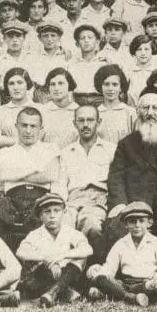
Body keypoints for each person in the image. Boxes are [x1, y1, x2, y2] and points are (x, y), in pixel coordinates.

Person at [105, 92, 157, 262]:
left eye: (155, 108)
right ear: (138, 111)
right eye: (145, 107)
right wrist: (121, 202)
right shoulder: (126, 143)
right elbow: (116, 176)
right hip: (133, 204)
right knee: (115, 228)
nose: (150, 112)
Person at [0, 106, 63, 252]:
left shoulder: (50, 149)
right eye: (24, 125)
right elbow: (3, 175)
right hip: (11, 199)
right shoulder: (6, 152)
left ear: (41, 129)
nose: (28, 131)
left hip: (41, 197)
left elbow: (50, 175)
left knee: (43, 224)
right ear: (16, 126)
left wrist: (15, 172)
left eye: (33, 126)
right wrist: (36, 170)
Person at [89, 202, 157, 306]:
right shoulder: (120, 244)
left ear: (149, 223)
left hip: (148, 284)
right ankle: (131, 298)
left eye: (141, 221)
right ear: (126, 224)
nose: (137, 225)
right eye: (132, 222)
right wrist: (99, 273)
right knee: (100, 279)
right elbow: (110, 268)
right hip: (126, 284)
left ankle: (116, 295)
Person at [17, 193, 92, 306]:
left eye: (56, 211)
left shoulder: (70, 232)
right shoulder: (35, 234)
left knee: (80, 259)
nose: (52, 216)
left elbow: (88, 249)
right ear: (40, 215)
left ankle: (52, 293)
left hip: (66, 274)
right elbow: (21, 252)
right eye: (47, 211)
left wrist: (61, 256)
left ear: (63, 213)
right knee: (33, 279)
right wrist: (47, 260)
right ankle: (65, 292)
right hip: (44, 276)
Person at [60, 105, 115, 246]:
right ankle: (68, 265)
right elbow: (61, 183)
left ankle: (92, 264)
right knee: (62, 226)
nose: (85, 125)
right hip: (72, 201)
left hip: (98, 200)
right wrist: (62, 205)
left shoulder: (111, 150)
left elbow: (116, 182)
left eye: (90, 120)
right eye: (81, 120)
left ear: (99, 122)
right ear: (74, 123)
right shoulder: (66, 152)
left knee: (93, 226)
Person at [0, 21, 37, 109]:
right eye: (10, 36)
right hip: (8, 104)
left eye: (18, 36)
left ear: (24, 38)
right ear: (4, 39)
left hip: (31, 104)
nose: (14, 40)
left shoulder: (33, 59)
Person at [0, 68, 36, 150]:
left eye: (20, 83)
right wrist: (26, 140)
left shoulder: (40, 108)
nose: (15, 87)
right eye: (11, 83)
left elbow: (43, 139)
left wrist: (6, 140)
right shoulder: (1, 110)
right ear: (7, 87)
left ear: (27, 84)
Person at [67, 24, 111, 106]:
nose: (86, 40)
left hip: (99, 99)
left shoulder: (105, 63)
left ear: (97, 42)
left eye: (90, 38)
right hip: (77, 99)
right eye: (82, 38)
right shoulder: (71, 63)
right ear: (77, 43)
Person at [94, 64, 136, 144]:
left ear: (120, 88)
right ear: (100, 86)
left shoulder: (130, 113)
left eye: (115, 85)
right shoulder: (96, 113)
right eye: (106, 84)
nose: (110, 89)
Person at [40, 68, 80, 148]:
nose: (56, 88)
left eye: (61, 83)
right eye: (52, 84)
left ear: (69, 86)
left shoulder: (79, 111)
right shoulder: (42, 111)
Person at [125, 34, 157, 107]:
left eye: (146, 49)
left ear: (152, 51)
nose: (143, 53)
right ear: (134, 52)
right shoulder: (129, 71)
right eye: (139, 49)